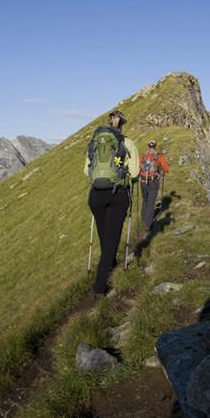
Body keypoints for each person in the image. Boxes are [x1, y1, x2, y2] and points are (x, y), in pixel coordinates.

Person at [83, 109, 139, 295]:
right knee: (111, 239)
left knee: (105, 236)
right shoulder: (127, 143)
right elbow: (135, 172)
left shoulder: (94, 143)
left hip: (95, 195)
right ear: (122, 124)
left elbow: (87, 170)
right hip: (117, 194)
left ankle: (110, 263)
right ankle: (100, 286)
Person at [139, 140, 171, 230]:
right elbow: (166, 169)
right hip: (153, 182)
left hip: (143, 181)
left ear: (148, 146)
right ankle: (148, 224)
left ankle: (143, 219)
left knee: (145, 200)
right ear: (155, 146)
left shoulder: (142, 156)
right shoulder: (159, 156)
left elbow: (138, 167)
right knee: (151, 202)